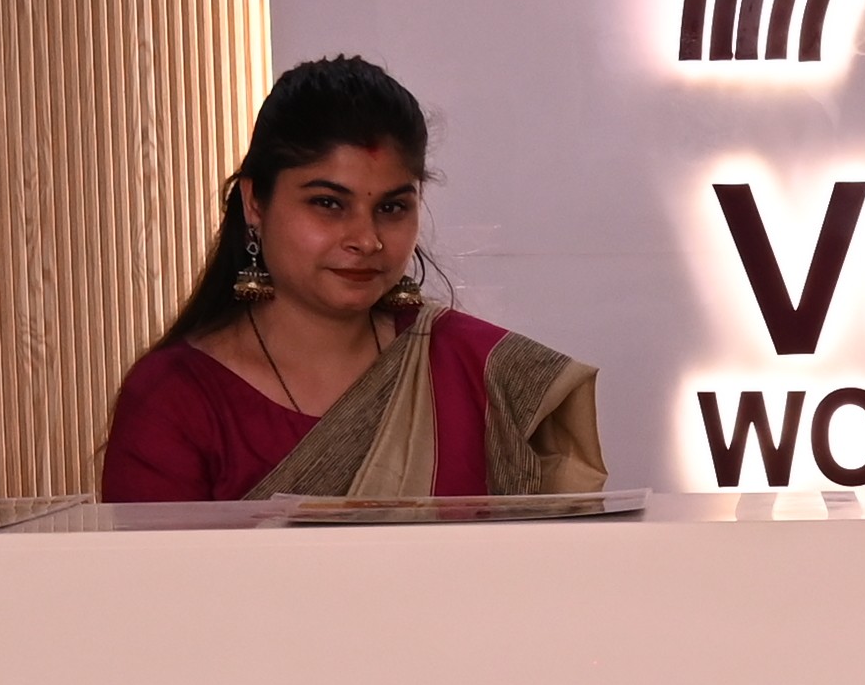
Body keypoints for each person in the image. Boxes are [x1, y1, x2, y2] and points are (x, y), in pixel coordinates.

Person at [100, 55, 607, 503]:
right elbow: (153, 582)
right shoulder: (176, 401)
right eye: (328, 203)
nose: (366, 239)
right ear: (255, 202)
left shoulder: (482, 372)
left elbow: (555, 565)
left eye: (392, 207)